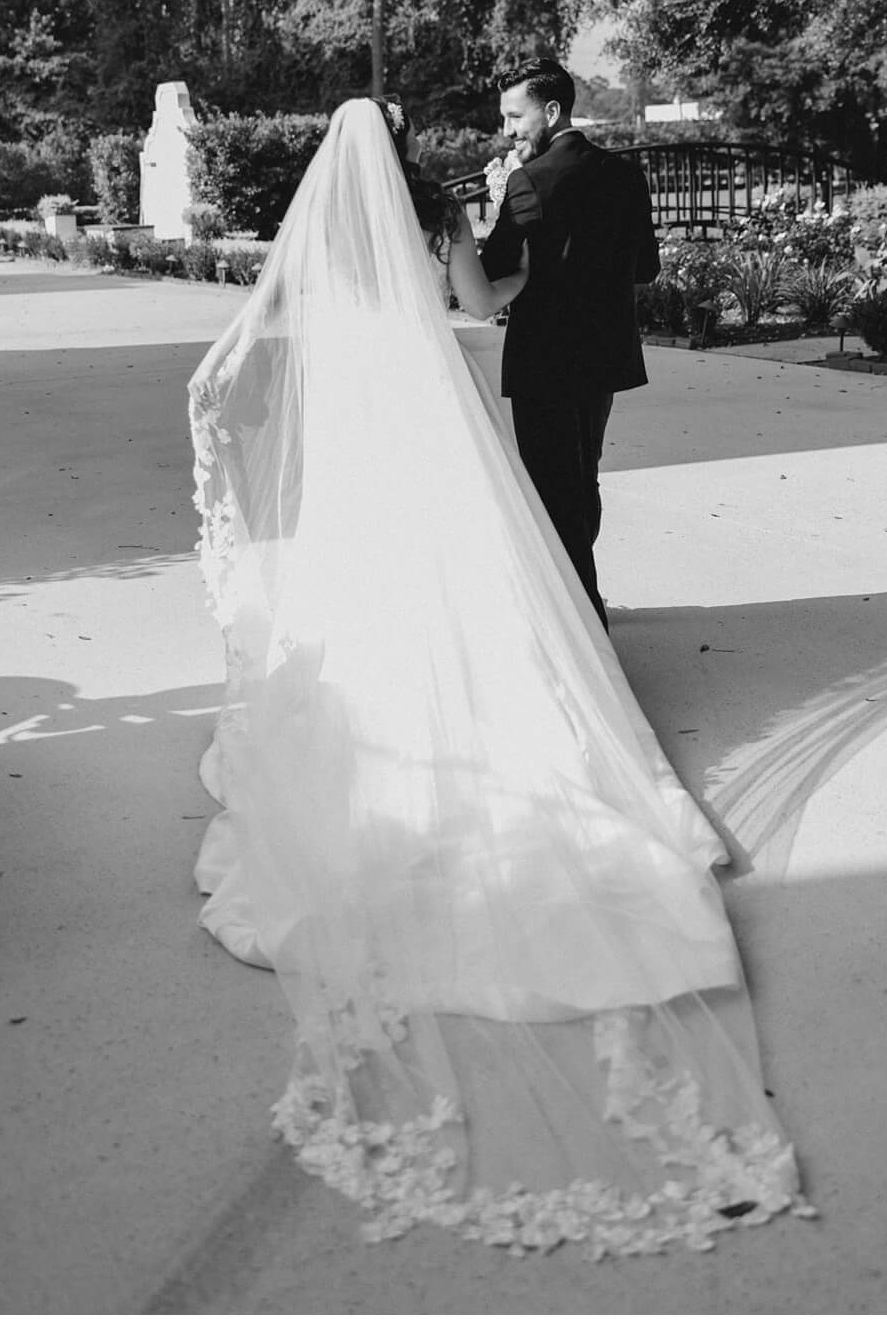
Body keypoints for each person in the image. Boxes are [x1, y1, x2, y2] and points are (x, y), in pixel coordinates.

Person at [187, 98, 805, 1258]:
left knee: (369, 579)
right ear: (403, 145)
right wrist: (521, 287)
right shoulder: (433, 209)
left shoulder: (322, 227)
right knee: (482, 561)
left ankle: (380, 721)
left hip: (359, 417)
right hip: (427, 404)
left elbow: (290, 315)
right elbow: (479, 305)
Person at [475, 58, 664, 627]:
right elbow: (647, 269)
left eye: (516, 116)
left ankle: (584, 622)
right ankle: (583, 600)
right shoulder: (627, 175)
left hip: (545, 363)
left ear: (551, 111)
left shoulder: (526, 181)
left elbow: (493, 271)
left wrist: (501, 197)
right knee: (582, 477)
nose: (509, 130)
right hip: (604, 357)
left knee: (554, 488)